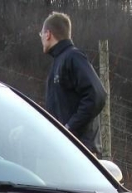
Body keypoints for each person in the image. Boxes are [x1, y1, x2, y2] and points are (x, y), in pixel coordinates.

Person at [39, 12, 106, 156]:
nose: (41, 38)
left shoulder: (73, 57)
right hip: (66, 150)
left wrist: (69, 128)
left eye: (41, 34)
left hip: (82, 152)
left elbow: (97, 95)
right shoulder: (59, 61)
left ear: (48, 34)